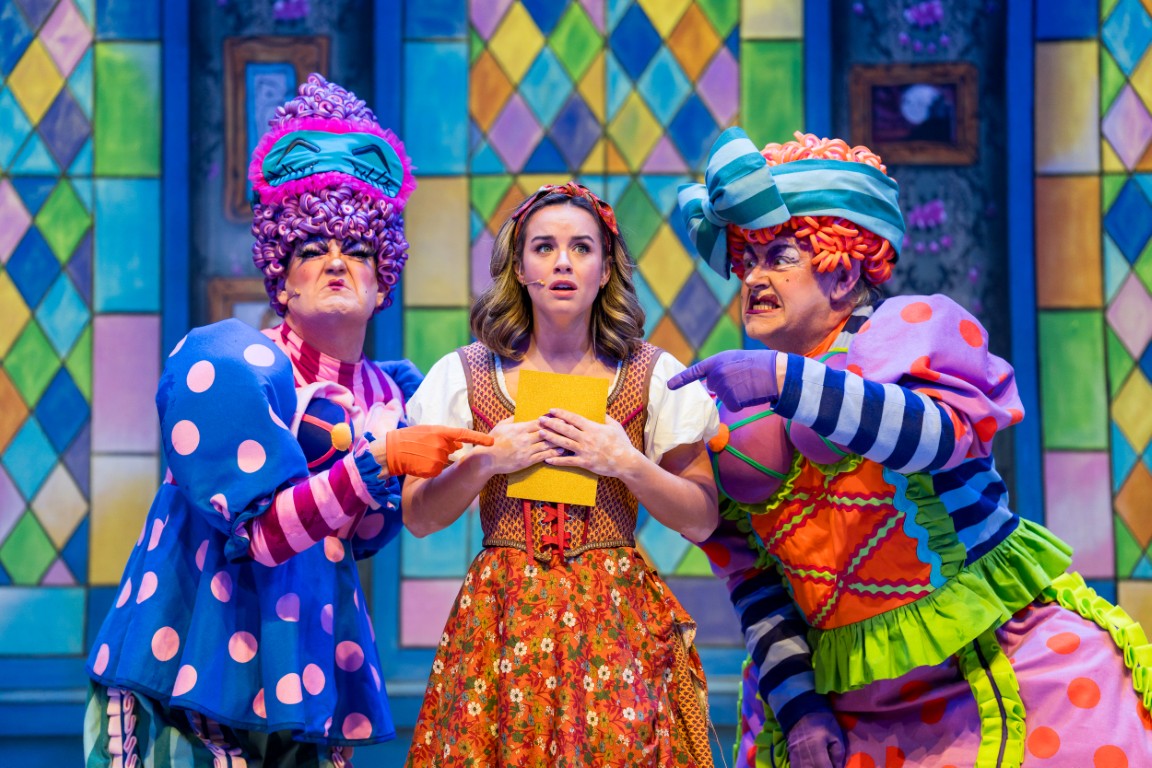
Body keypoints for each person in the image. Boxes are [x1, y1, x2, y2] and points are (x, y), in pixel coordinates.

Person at [670, 127, 1152, 768]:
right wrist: (801, 709)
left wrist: (788, 382)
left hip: (1000, 664)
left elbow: (932, 438)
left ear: (841, 271)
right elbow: (755, 580)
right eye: (745, 261)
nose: (753, 277)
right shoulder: (737, 411)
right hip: (855, 711)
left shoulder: (906, 331)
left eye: (779, 256)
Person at [83, 74, 491, 767]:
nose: (337, 262)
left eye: (358, 250)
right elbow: (266, 534)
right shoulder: (232, 365)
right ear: (281, 276)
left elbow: (361, 535)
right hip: (188, 661)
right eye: (312, 248)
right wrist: (382, 458)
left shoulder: (389, 396)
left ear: (384, 277)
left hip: (300, 663)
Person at [402, 181, 721, 767]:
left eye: (582, 248)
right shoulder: (464, 373)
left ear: (605, 269)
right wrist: (486, 462)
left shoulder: (652, 374)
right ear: (519, 267)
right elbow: (419, 517)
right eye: (544, 247)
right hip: (502, 615)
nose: (563, 263)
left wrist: (626, 463)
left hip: (615, 619)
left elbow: (701, 518)